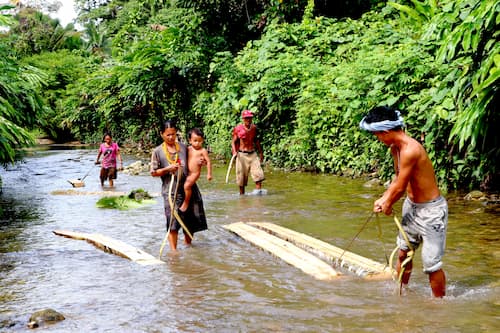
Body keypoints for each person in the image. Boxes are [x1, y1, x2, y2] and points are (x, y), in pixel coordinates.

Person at [359, 106, 448, 298]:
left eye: (377, 135)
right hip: (412, 206)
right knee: (403, 253)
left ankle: (439, 304)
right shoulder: (395, 149)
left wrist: (388, 204)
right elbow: (398, 179)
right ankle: (400, 292)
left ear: (386, 132)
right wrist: (384, 197)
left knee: (432, 265)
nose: (378, 139)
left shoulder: (411, 149)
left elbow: (400, 187)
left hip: (431, 212)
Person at [150, 120, 208, 251]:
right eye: (168, 135)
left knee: (190, 220)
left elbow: (193, 159)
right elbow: (153, 172)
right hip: (171, 191)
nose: (171, 137)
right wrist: (167, 169)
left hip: (188, 187)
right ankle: (174, 252)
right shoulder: (157, 151)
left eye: (173, 134)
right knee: (173, 221)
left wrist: (201, 161)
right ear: (161, 134)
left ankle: (189, 247)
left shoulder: (183, 147)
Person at [231, 110, 265, 195]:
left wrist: (261, 153)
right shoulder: (238, 128)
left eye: (250, 118)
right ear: (243, 119)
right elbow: (233, 142)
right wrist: (234, 152)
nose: (248, 120)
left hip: (253, 154)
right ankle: (242, 197)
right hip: (242, 155)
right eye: (246, 118)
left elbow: (256, 141)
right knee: (241, 178)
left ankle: (258, 197)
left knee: (258, 175)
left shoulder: (254, 128)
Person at [179, 128, 212, 213]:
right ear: (190, 140)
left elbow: (208, 162)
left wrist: (209, 174)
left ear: (203, 141)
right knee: (183, 185)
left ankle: (186, 202)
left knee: (186, 186)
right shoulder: (188, 149)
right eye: (195, 141)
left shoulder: (203, 151)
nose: (197, 143)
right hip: (187, 172)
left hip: (195, 173)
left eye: (199, 141)